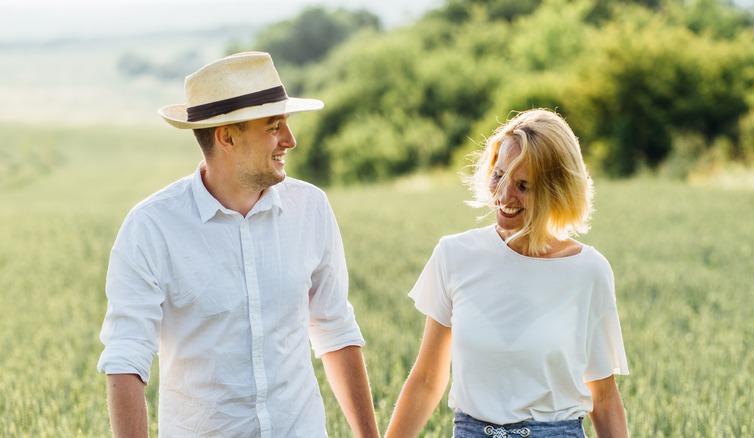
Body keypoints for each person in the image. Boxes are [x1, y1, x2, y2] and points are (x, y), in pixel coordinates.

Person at [97, 52, 379, 437]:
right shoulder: (151, 227)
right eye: (274, 126)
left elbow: (336, 330)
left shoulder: (311, 208)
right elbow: (126, 358)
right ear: (227, 136)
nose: (290, 140)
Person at [385, 109, 629, 438]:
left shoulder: (589, 271)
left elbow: (603, 396)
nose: (503, 195)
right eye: (498, 175)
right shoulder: (454, 255)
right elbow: (427, 379)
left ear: (556, 191)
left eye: (522, 185)